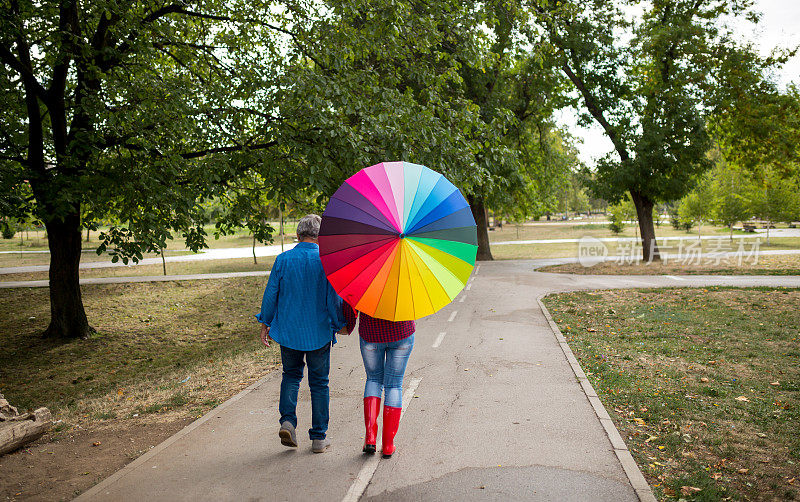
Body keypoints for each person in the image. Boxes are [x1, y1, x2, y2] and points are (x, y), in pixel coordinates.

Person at [256, 214, 346, 453]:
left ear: (298, 235)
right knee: (319, 384)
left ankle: (287, 421)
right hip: (318, 333)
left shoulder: (283, 260)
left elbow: (271, 293)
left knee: (291, 376)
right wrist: (339, 323)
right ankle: (318, 438)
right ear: (320, 237)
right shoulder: (326, 262)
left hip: (289, 332)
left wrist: (265, 322)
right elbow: (333, 299)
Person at [342, 304, 414, 458]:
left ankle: (370, 438)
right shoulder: (405, 279)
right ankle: (388, 445)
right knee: (394, 386)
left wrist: (348, 324)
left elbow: (350, 302)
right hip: (402, 332)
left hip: (371, 333)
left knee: (373, 380)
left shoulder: (364, 279)